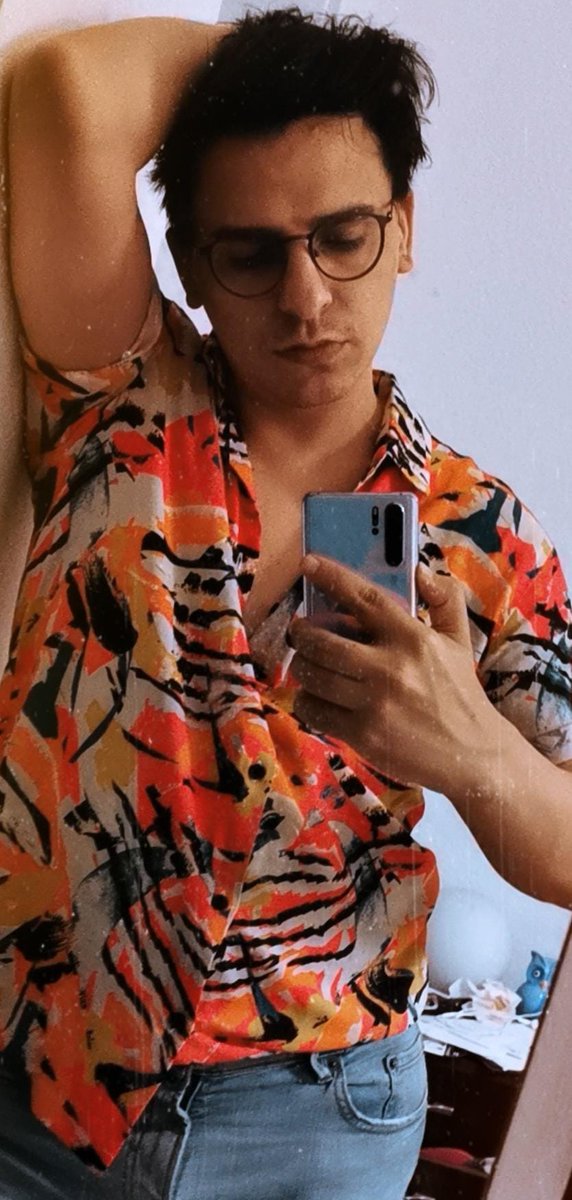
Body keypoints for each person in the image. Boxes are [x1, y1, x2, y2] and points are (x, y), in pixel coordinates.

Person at [1, 9, 571, 1199]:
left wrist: (466, 750)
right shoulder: (121, 402)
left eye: (343, 236)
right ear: (191, 263)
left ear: (403, 229)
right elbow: (67, 91)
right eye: (251, 253)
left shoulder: (480, 532)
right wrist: (275, 64)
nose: (305, 300)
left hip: (322, 1114)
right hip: (50, 1080)